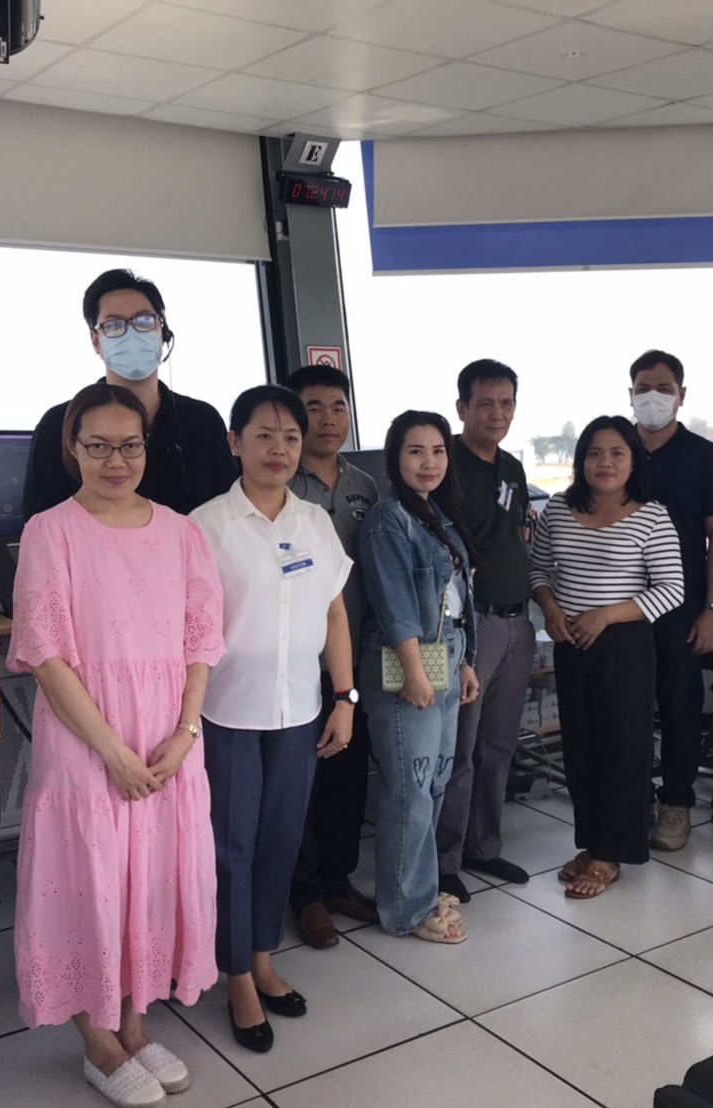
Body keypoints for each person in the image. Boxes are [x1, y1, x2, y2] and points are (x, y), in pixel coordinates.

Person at [7, 384, 226, 1108]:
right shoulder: (50, 531)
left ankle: (133, 1023)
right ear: (71, 449)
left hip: (167, 741)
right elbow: (45, 653)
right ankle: (97, 1041)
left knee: (150, 879)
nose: (115, 460)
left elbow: (201, 641)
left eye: (129, 445)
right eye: (97, 446)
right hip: (87, 742)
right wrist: (112, 752)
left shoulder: (182, 533)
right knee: (91, 882)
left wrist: (185, 734)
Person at [190, 384, 355, 1055]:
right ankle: (235, 976)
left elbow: (335, 614)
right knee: (232, 848)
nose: (280, 449)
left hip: (299, 711)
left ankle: (262, 958)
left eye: (290, 436)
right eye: (264, 435)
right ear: (235, 442)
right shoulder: (205, 527)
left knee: (281, 840)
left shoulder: (315, 522)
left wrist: (344, 698)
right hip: (227, 712)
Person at [531, 416, 684, 900]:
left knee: (622, 748)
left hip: (624, 645)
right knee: (580, 747)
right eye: (595, 452)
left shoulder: (652, 516)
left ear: (633, 461)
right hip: (570, 641)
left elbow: (672, 589)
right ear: (582, 460)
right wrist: (550, 608)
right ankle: (592, 843)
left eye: (617, 452)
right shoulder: (559, 509)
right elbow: (538, 569)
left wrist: (606, 615)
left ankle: (612, 853)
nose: (605, 462)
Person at [359, 411, 480, 944]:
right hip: (408, 659)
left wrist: (466, 661)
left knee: (433, 780)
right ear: (394, 458)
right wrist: (414, 671)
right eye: (415, 451)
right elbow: (396, 607)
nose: (429, 462)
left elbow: (457, 602)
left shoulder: (437, 516)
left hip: (445, 655)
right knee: (410, 787)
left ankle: (421, 886)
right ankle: (407, 908)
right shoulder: (388, 520)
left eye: (437, 451)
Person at [284, 365, 381, 949]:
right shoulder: (281, 483)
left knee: (347, 777)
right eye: (313, 408)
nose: (327, 419)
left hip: (356, 660)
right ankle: (305, 893)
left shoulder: (364, 485)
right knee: (305, 782)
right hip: (298, 662)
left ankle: (339, 880)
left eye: (337, 407)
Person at [434, 359, 535, 903]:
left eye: (507, 403)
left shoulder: (512, 467)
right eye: (486, 403)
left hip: (518, 622)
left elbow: (514, 535)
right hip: (470, 627)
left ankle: (484, 845)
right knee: (460, 749)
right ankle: (445, 858)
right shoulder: (443, 463)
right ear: (462, 408)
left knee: (498, 744)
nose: (498, 413)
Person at [22, 268, 236, 520]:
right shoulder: (60, 424)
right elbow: (38, 523)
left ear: (163, 332)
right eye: (114, 325)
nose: (131, 333)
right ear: (96, 341)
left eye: (144, 320)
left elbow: (228, 516)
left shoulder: (203, 421)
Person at [630, 351, 713, 852]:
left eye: (664, 388)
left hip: (682, 607)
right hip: (621, 607)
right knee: (624, 709)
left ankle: (676, 804)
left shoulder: (704, 457)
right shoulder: (615, 450)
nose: (653, 397)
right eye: (643, 388)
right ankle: (631, 802)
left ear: (682, 395)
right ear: (630, 393)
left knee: (679, 709)